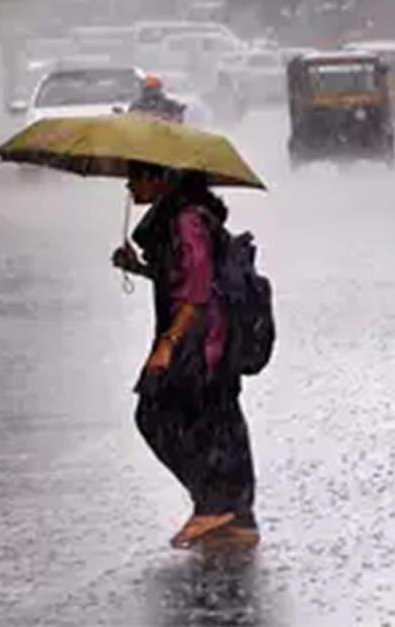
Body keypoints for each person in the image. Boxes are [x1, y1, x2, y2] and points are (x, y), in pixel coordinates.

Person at [112, 162, 258, 549]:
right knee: (217, 422)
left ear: (162, 178)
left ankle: (213, 505)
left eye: (137, 175)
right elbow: (180, 277)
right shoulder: (184, 216)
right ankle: (236, 517)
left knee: (156, 414)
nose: (130, 184)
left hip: (201, 341)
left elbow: (195, 290)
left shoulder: (187, 220)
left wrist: (168, 343)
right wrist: (138, 268)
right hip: (210, 338)